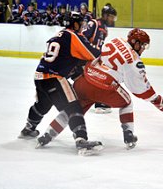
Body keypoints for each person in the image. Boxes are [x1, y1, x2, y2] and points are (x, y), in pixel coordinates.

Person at [36, 28, 163, 149]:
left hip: (85, 80)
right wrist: (158, 101)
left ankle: (47, 135)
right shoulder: (134, 61)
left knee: (73, 109)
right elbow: (140, 89)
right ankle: (128, 135)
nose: (143, 49)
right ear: (136, 43)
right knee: (127, 103)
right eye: (143, 46)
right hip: (105, 88)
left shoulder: (116, 41)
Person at [18, 11, 103, 155]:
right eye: (81, 23)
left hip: (39, 76)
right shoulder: (73, 36)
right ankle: (81, 140)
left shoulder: (59, 35)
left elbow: (66, 57)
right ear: (74, 24)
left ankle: (28, 129)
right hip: (54, 77)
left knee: (42, 104)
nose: (82, 27)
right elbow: (93, 54)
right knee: (74, 106)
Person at [82, 4, 117, 114]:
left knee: (100, 77)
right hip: (85, 57)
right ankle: (99, 103)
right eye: (111, 17)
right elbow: (82, 37)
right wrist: (89, 51)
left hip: (94, 58)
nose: (113, 19)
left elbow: (99, 44)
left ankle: (99, 102)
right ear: (105, 15)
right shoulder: (94, 23)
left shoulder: (105, 28)